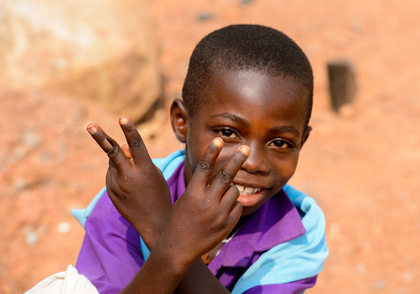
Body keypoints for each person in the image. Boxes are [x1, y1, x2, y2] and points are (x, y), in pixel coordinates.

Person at [73, 24, 328, 294]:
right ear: (182, 122)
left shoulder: (297, 232)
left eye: (280, 143)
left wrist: (158, 226)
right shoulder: (126, 200)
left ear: (302, 142)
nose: (253, 162)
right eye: (228, 133)